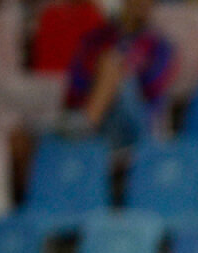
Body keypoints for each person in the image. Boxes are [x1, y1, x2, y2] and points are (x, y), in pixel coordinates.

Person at [62, 0, 174, 147]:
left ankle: (87, 123)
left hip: (138, 120)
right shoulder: (96, 39)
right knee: (109, 62)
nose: (143, 4)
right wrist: (101, 76)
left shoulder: (159, 46)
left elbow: (153, 89)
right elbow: (75, 86)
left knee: (115, 69)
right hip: (102, 119)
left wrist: (122, 72)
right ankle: (88, 122)